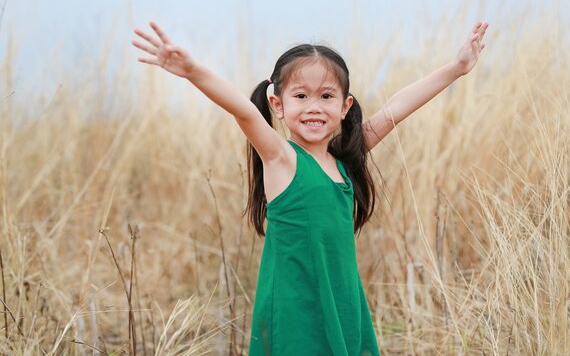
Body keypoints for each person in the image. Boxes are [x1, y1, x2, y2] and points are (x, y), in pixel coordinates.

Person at [132, 20, 489, 356]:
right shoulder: (281, 159)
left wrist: (456, 68)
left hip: (342, 299)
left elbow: (397, 109)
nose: (314, 108)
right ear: (278, 104)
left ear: (345, 106)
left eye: (326, 97)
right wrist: (194, 71)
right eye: (300, 97)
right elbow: (243, 111)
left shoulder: (346, 160)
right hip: (294, 307)